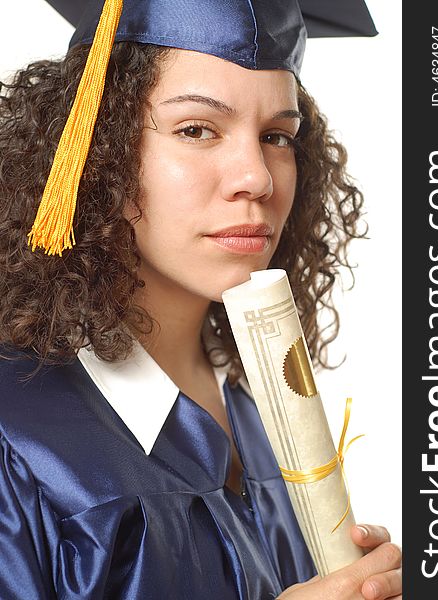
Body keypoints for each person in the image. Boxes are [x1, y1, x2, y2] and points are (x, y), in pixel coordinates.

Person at [0, 1, 401, 598]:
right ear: (94, 148)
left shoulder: (263, 413)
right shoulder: (18, 438)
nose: (258, 178)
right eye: (196, 130)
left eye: (276, 136)